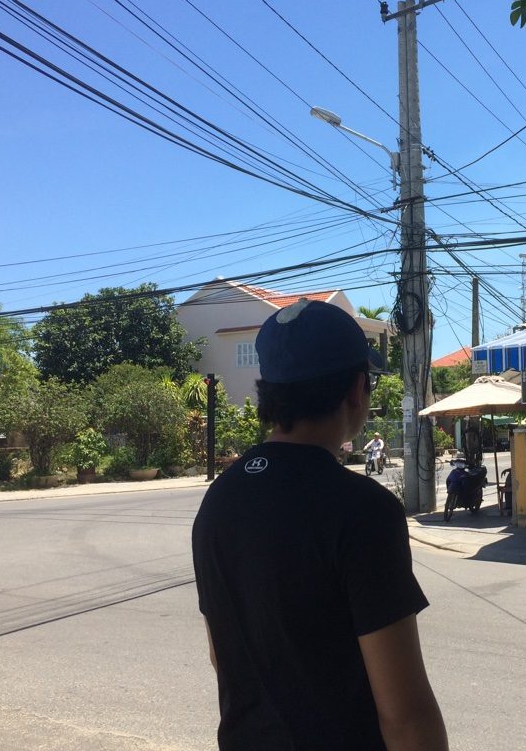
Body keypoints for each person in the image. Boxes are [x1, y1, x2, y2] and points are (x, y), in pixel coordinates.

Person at [192, 300, 448, 751]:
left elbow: (222, 656)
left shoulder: (219, 500)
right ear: (356, 389)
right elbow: (404, 714)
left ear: (267, 392)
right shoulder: (363, 509)